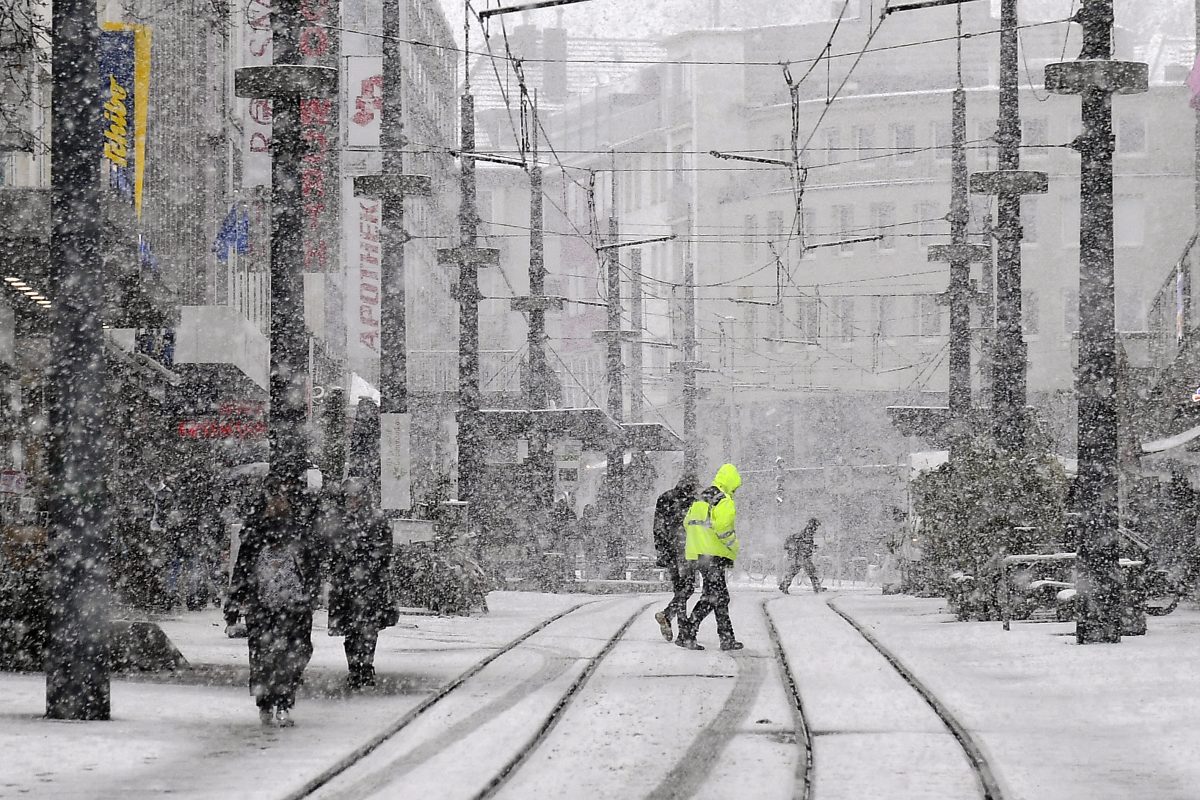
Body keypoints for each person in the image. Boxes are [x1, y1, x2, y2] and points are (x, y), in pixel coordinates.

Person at [224, 475, 323, 727]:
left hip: (288, 606)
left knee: (286, 654)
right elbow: (243, 568)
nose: (278, 500)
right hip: (269, 605)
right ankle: (270, 702)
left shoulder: (294, 531)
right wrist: (234, 604)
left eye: (283, 494)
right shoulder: (261, 530)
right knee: (268, 655)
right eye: (274, 494)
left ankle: (278, 701)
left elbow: (311, 568)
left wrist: (311, 594)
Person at [328, 479, 397, 689]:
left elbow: (385, 550)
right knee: (352, 630)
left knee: (368, 629)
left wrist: (368, 561)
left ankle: (365, 666)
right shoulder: (338, 521)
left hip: (369, 583)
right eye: (349, 497)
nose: (352, 501)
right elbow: (330, 551)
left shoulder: (376, 519)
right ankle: (354, 668)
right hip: (346, 584)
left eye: (356, 496)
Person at [676, 463, 743, 651]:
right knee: (715, 596)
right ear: (731, 482)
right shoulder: (724, 500)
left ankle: (724, 638)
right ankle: (689, 633)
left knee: (717, 596)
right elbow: (723, 528)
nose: (736, 490)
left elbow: (687, 522)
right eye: (736, 486)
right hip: (714, 555)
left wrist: (699, 542)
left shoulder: (701, 498)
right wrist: (733, 546)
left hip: (698, 554)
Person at [651, 474, 698, 642]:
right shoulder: (693, 502)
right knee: (688, 588)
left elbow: (657, 527)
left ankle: (674, 622)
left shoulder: (664, 498)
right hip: (686, 551)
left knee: (680, 589)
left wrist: (662, 549)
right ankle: (675, 623)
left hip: (669, 551)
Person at [780, 517, 825, 594]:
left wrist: (811, 547)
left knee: (794, 571)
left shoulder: (806, 532)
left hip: (799, 555)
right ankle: (817, 588)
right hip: (803, 556)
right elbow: (805, 544)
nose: (816, 528)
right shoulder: (808, 532)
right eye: (816, 526)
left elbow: (804, 543)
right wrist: (810, 548)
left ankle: (785, 584)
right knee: (812, 572)